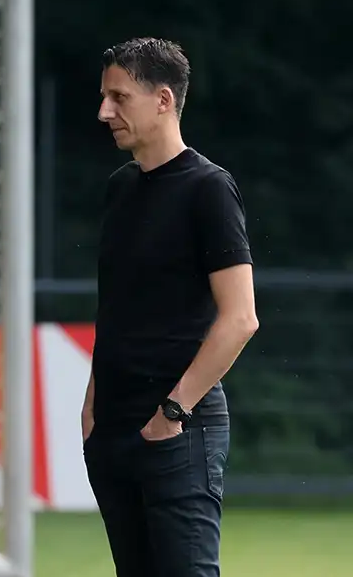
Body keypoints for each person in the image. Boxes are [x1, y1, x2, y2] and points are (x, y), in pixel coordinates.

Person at [82, 37, 260, 577]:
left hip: (178, 430)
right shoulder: (121, 188)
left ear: (163, 99)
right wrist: (94, 404)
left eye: (119, 97)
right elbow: (116, 307)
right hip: (112, 429)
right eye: (104, 96)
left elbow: (240, 318)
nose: (104, 112)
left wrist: (174, 411)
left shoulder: (208, 188)